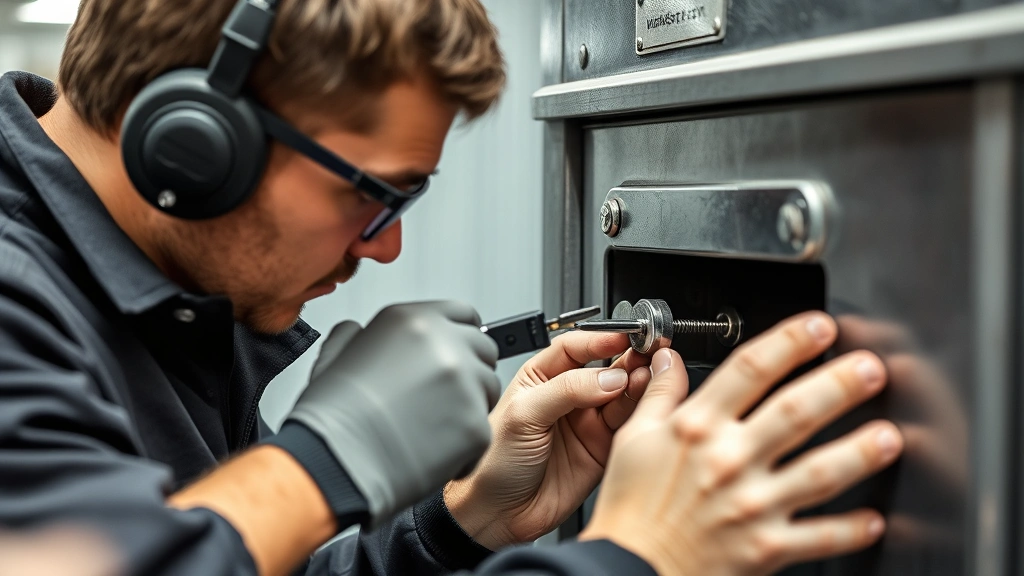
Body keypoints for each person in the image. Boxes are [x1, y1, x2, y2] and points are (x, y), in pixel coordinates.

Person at [0, 0, 904, 574]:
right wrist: (641, 555)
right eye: (371, 195)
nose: (387, 248)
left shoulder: (179, 296)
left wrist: (453, 526)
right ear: (194, 146)